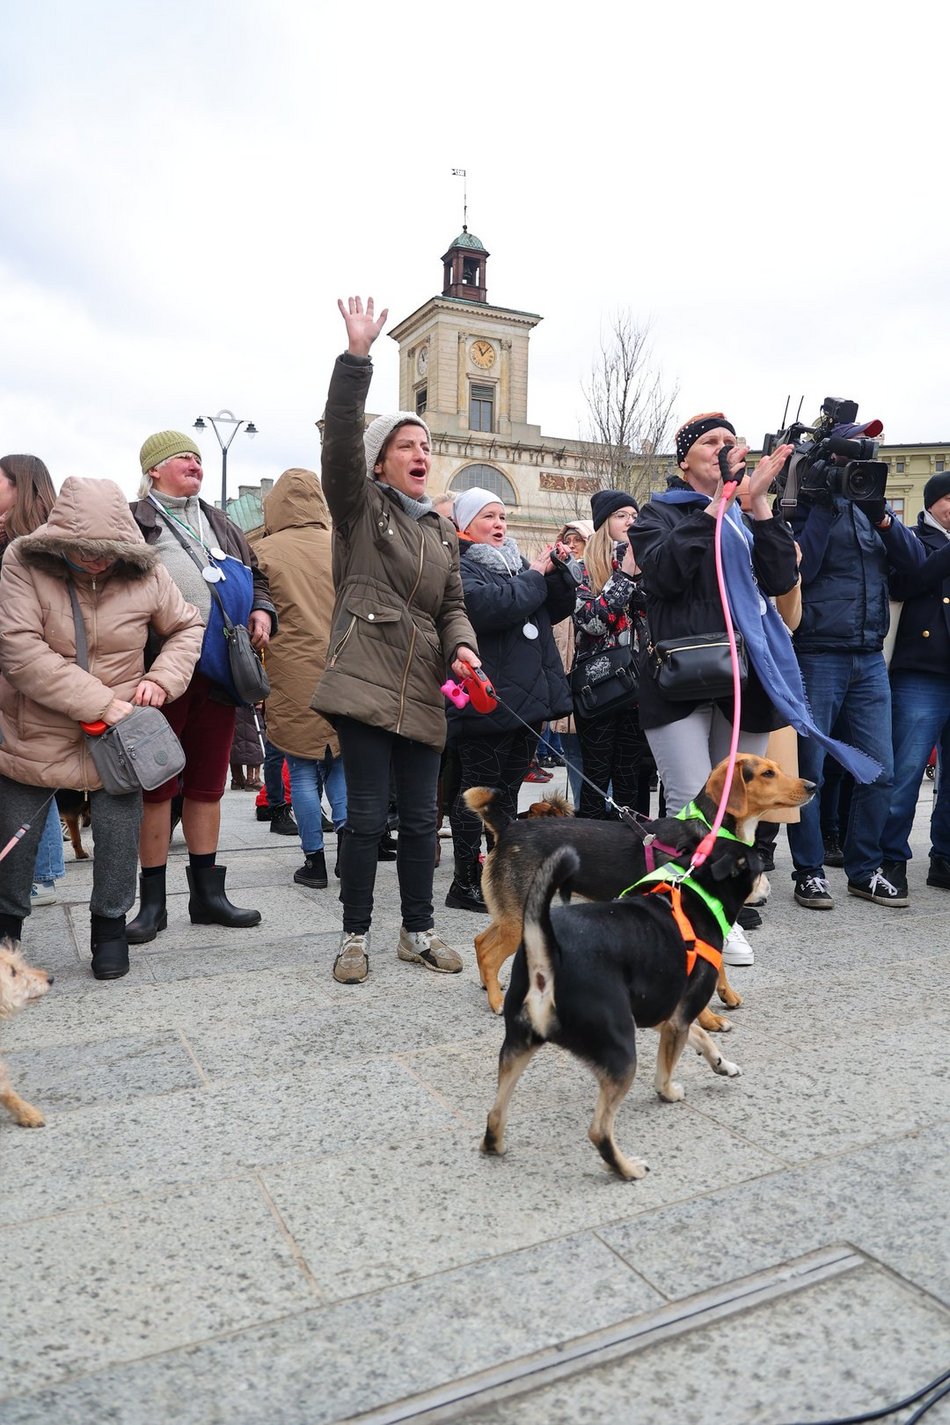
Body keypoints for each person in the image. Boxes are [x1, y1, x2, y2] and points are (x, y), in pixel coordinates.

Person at [311, 295, 480, 984]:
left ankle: (418, 929)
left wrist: (463, 646)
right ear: (380, 462)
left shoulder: (441, 530)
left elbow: (452, 605)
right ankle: (354, 936)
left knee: (420, 820)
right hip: (364, 678)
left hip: (422, 688)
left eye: (426, 445)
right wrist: (357, 359)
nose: (421, 453)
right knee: (364, 818)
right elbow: (339, 441)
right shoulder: (359, 507)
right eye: (407, 445)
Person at [0, 477, 203, 977]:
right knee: (15, 843)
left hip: (120, 737)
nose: (97, 561)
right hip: (34, 729)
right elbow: (19, 649)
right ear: (60, 541)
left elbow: (187, 625)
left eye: (108, 552)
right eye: (85, 552)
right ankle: (6, 938)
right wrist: (102, 703)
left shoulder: (147, 571)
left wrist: (162, 678)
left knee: (117, 835)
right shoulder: (22, 563)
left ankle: (109, 929)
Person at [629, 413, 798, 966]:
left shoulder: (749, 517)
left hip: (743, 679)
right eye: (710, 443)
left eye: (731, 442)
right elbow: (664, 575)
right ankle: (676, 921)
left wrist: (760, 506)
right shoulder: (658, 513)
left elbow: (779, 581)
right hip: (679, 674)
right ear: (684, 460)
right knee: (688, 802)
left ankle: (724, 918)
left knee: (737, 805)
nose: (724, 450)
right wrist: (718, 505)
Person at [126, 432, 278, 943]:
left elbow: (257, 577)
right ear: (153, 470)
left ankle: (207, 896)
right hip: (157, 674)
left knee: (209, 786)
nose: (194, 462)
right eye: (181, 457)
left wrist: (262, 610)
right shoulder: (134, 519)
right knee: (156, 788)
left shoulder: (220, 521)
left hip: (218, 673)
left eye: (198, 456)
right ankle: (151, 904)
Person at [783, 418, 926, 911]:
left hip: (867, 657)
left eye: (868, 447)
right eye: (853, 448)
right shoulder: (805, 503)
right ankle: (809, 872)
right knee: (811, 772)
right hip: (817, 653)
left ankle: (864, 871)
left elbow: (914, 564)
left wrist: (882, 515)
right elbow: (805, 568)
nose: (861, 456)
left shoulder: (873, 503)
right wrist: (822, 505)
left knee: (879, 772)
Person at [445, 488, 574, 910]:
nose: (499, 524)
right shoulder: (461, 567)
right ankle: (463, 882)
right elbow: (495, 606)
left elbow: (549, 608)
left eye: (502, 516)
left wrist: (556, 574)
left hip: (525, 701)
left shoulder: (516, 565)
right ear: (465, 525)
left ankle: (496, 872)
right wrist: (535, 575)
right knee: (476, 793)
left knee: (507, 791)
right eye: (488, 517)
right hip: (486, 700)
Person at [255, 467, 347, 891]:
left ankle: (315, 862)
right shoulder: (341, 545)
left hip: (290, 671)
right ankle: (348, 850)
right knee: (342, 764)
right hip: (344, 667)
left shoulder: (263, 549)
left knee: (303, 769)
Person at [879, 472, 950, 896]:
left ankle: (944, 856)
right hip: (921, 671)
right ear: (934, 502)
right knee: (905, 771)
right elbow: (908, 579)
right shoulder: (912, 537)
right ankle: (890, 857)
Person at [0, 454, 65, 905]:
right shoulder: (54, 539)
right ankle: (41, 872)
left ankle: (34, 873)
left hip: (21, 673)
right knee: (37, 771)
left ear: (18, 487)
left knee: (26, 773)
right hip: (37, 673)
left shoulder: (19, 544)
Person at [570, 491, 648, 819]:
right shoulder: (583, 569)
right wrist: (625, 574)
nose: (631, 521)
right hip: (599, 687)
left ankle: (631, 853)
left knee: (632, 778)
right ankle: (592, 853)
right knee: (596, 778)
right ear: (604, 524)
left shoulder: (650, 564)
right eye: (621, 515)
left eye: (634, 515)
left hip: (639, 688)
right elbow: (593, 622)